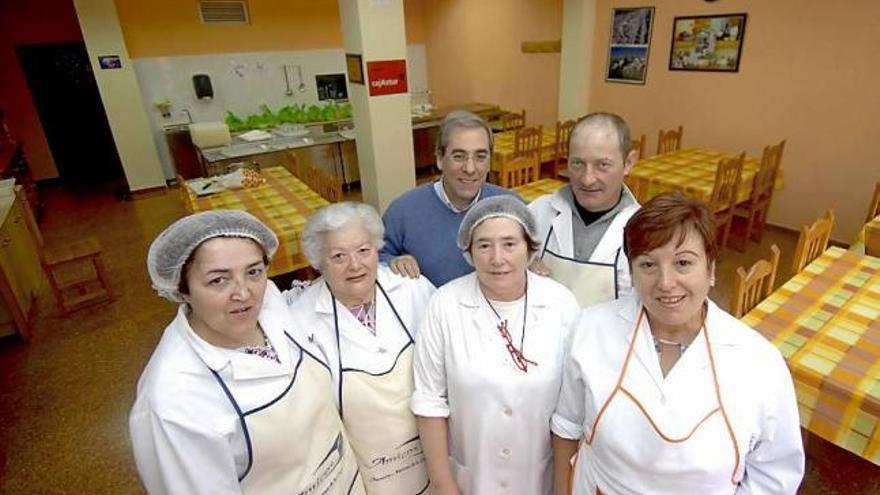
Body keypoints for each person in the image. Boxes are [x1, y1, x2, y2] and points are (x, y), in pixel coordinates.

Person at [551, 192, 804, 494]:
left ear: (711, 270)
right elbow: (567, 426)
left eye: (683, 262)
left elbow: (774, 474)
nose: (666, 282)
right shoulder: (591, 329)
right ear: (631, 273)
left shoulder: (759, 362)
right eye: (648, 265)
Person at [130, 210, 364, 494]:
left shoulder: (271, 303)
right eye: (218, 280)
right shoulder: (173, 402)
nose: (244, 293)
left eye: (253, 272)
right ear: (183, 289)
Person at [412, 196, 579, 495]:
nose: (497, 258)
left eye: (509, 244)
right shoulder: (445, 304)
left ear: (530, 247)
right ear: (469, 251)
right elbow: (429, 402)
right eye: (484, 245)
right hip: (471, 478)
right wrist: (443, 484)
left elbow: (569, 411)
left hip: (538, 477)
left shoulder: (561, 303)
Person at [289, 202, 436, 494]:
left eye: (363, 251)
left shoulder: (412, 288)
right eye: (338, 256)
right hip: (365, 469)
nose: (355, 265)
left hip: (431, 453)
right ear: (318, 261)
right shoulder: (300, 319)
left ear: (377, 248)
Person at [381, 110, 516, 286]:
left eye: (480, 157)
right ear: (439, 159)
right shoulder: (402, 212)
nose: (470, 168)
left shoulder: (512, 207)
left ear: (490, 161)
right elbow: (373, 257)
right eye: (459, 156)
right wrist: (391, 262)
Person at [529, 112, 640, 307]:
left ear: (628, 163)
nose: (587, 179)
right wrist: (522, 267)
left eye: (602, 165)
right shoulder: (539, 212)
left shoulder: (645, 230)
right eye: (578, 164)